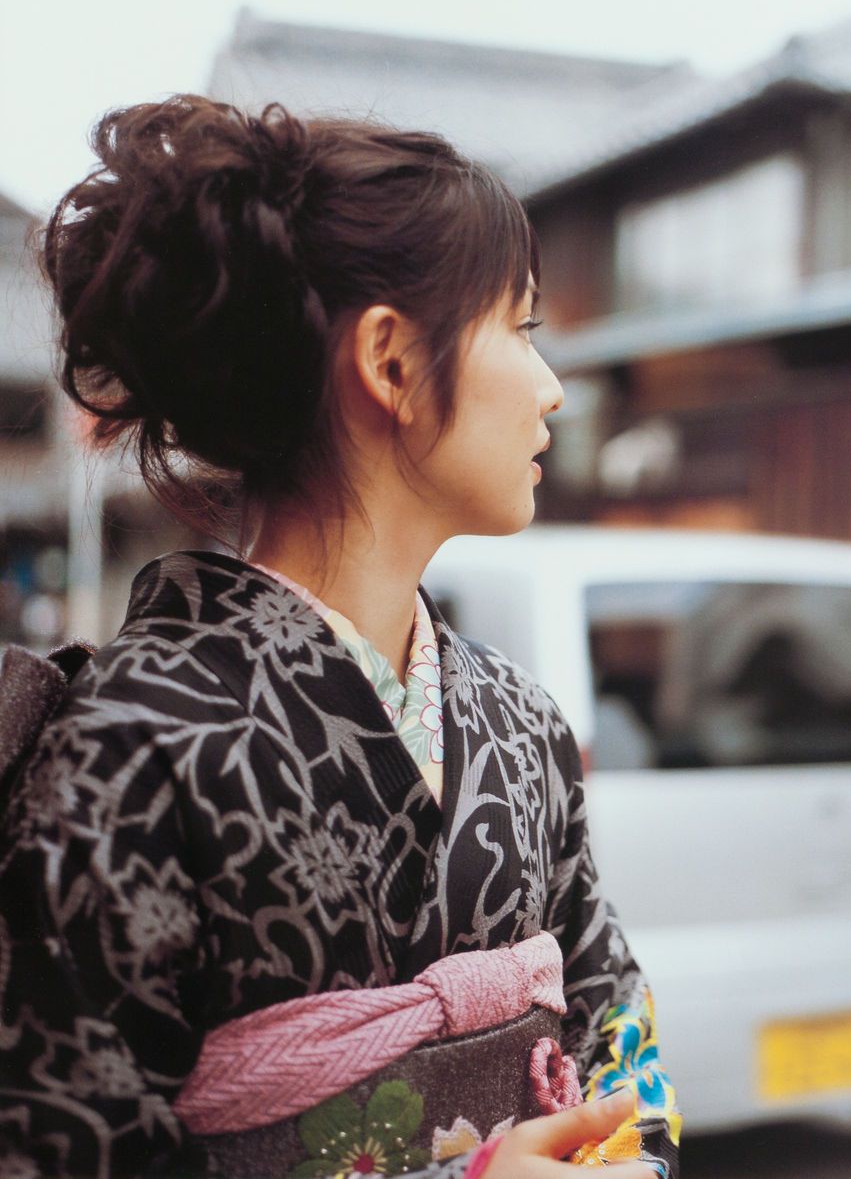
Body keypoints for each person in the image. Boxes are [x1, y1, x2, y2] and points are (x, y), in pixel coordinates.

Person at [0, 97, 681, 1179]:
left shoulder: (524, 725)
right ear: (390, 362)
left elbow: (620, 1041)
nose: (551, 387)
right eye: (520, 328)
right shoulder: (129, 746)